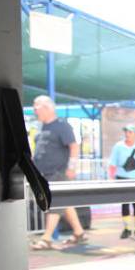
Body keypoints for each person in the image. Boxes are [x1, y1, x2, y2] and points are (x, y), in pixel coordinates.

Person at [30, 95, 88, 249]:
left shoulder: (62, 126)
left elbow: (74, 146)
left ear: (48, 108)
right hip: (43, 173)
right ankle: (79, 233)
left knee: (55, 202)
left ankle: (47, 238)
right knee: (64, 203)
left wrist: (72, 167)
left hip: (59, 172)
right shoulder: (41, 127)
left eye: (38, 107)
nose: (35, 110)